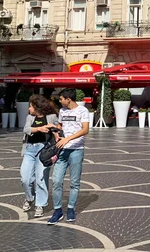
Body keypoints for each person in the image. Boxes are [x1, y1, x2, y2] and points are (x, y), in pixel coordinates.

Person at [48, 88, 90, 225]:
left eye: (61, 99)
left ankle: (71, 208)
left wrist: (68, 139)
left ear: (68, 99)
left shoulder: (83, 111)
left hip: (76, 150)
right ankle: (58, 210)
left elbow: (85, 129)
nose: (59, 101)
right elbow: (60, 125)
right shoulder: (62, 111)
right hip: (62, 150)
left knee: (74, 182)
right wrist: (56, 132)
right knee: (56, 181)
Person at [20, 95, 59, 218]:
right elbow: (26, 129)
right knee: (25, 178)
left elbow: (58, 129)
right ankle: (29, 198)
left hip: (44, 150)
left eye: (30, 106)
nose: (29, 109)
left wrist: (54, 131)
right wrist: (39, 129)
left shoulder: (51, 117)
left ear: (37, 107)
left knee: (41, 178)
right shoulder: (30, 117)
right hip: (30, 149)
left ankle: (40, 204)